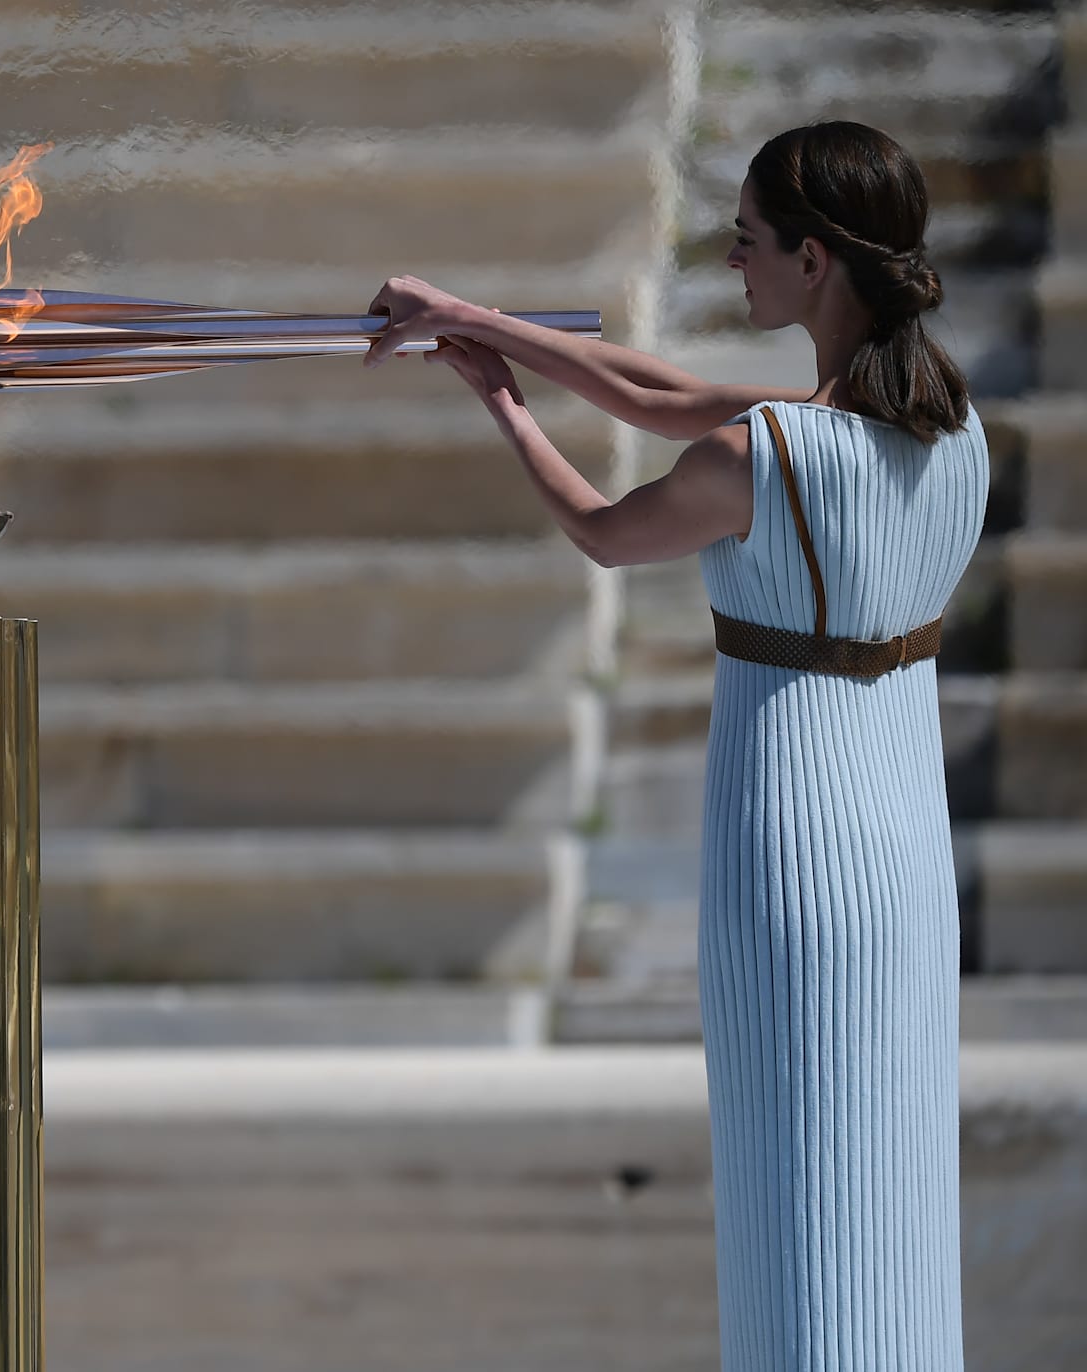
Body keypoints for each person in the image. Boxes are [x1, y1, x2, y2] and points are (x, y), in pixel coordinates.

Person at [366, 120, 984, 1368]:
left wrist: (498, 399)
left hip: (795, 851)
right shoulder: (945, 431)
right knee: (889, 1199)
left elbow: (603, 528)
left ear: (815, 261)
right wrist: (477, 316)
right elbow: (658, 392)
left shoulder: (763, 456)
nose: (730, 258)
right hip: (906, 852)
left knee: (795, 1196)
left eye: (749, 240)